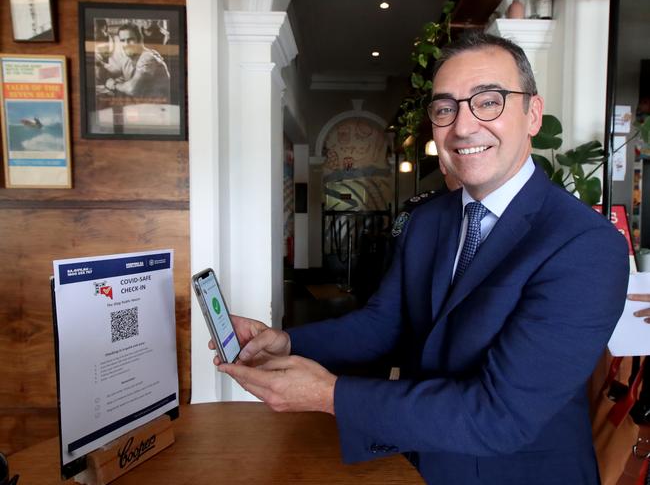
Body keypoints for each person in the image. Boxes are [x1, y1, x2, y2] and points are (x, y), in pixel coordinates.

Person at [211, 32, 630, 484]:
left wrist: (328, 394)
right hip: (415, 462)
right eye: (446, 108)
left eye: (488, 101)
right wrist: (287, 344)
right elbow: (382, 324)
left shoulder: (585, 245)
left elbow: (499, 415)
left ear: (532, 114)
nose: (464, 126)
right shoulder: (429, 220)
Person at [96, 22, 170, 100]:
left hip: (161, 108)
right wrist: (99, 62)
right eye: (122, 40)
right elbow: (113, 71)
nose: (126, 44)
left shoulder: (148, 58)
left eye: (130, 39)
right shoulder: (128, 59)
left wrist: (114, 84)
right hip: (144, 107)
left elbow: (132, 89)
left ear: (139, 40)